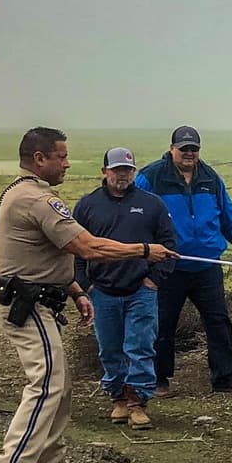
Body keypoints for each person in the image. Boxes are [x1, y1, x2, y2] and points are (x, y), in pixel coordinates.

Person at [0, 128, 176, 463]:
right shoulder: (36, 199)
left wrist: (74, 290)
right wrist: (143, 250)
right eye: (61, 156)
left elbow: (44, 255)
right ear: (40, 159)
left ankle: (48, 461)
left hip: (42, 299)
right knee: (46, 384)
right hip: (27, 304)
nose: (67, 162)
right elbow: (86, 247)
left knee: (61, 383)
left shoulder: (24, 193)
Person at [134, 126, 232, 396]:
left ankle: (224, 377)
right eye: (184, 148)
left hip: (207, 265)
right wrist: (141, 251)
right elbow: (136, 212)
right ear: (171, 148)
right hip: (169, 266)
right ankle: (158, 380)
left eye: (194, 148)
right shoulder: (151, 177)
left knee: (219, 321)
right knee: (163, 323)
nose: (189, 153)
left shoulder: (210, 178)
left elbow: (227, 212)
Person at [72, 147, 178, 431]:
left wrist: (153, 280)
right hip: (102, 290)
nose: (122, 175)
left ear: (134, 171)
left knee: (140, 346)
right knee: (110, 348)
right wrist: (85, 285)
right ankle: (118, 397)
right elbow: (74, 249)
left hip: (140, 290)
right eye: (117, 169)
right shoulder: (87, 205)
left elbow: (169, 245)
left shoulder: (152, 204)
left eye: (127, 170)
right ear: (104, 172)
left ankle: (138, 403)